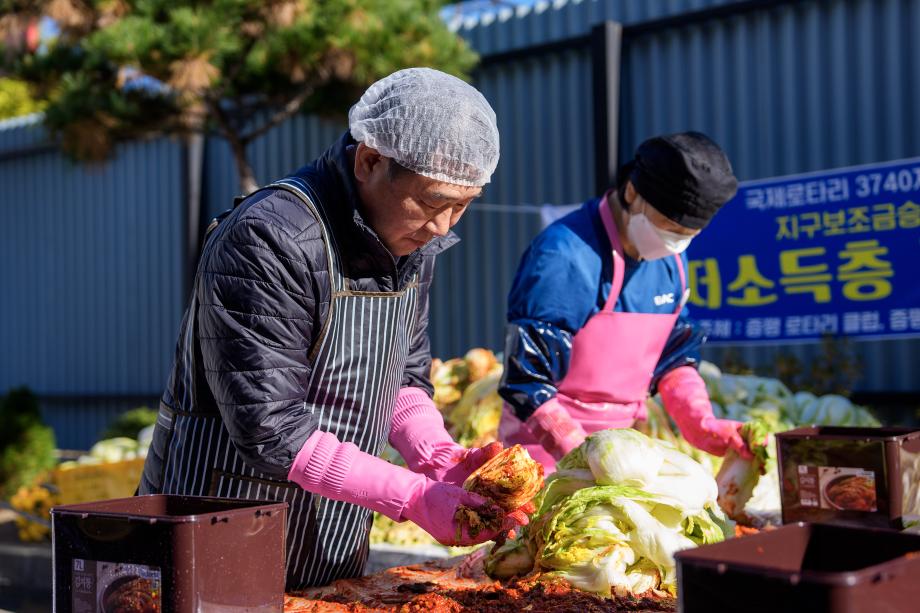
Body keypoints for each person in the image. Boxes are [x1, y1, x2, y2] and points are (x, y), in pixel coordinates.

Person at [139, 68, 528, 590]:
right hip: (224, 520)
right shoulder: (270, 236)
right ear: (369, 161)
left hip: (333, 530)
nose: (443, 227)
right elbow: (270, 426)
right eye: (434, 202)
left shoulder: (412, 243)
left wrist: (436, 457)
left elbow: (402, 378)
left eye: (463, 206)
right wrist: (411, 496)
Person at [497, 132, 754, 472]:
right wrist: (582, 454)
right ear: (632, 191)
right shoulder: (565, 255)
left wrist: (701, 423)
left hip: (624, 450)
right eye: (668, 225)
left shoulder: (671, 261)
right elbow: (528, 381)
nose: (674, 241)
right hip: (543, 455)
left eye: (687, 234)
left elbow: (672, 357)